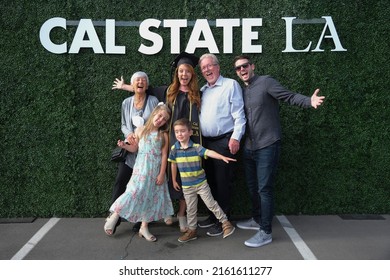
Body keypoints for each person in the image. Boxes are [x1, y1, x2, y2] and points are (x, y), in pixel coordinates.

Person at [233, 55, 325, 248]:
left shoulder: (266, 82)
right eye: (238, 68)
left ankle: (265, 232)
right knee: (252, 187)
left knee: (264, 189)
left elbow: (289, 96)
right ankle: (257, 219)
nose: (242, 70)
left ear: (252, 66)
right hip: (249, 148)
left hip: (268, 144)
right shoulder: (241, 91)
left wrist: (309, 101)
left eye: (245, 66)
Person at [112, 52, 202, 233]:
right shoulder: (168, 91)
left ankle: (182, 215)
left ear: (192, 74)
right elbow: (144, 89)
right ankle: (165, 211)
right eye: (180, 71)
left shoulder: (198, 94)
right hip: (169, 141)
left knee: (187, 176)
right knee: (166, 176)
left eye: (187, 71)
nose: (183, 75)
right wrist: (125, 87)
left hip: (190, 141)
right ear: (177, 73)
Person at [104, 103, 174, 241]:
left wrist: (161, 173)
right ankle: (115, 214)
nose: (160, 120)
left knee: (150, 198)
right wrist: (125, 146)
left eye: (164, 119)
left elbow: (165, 155)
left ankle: (144, 227)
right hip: (141, 169)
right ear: (154, 113)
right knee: (133, 192)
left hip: (155, 171)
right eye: (160, 115)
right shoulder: (140, 130)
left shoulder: (163, 135)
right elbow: (135, 149)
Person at [197, 53, 246, 237]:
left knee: (223, 183)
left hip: (224, 142)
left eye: (210, 66)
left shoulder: (230, 85)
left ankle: (224, 220)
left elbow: (239, 115)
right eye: (204, 68)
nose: (207, 70)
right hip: (206, 143)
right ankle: (213, 216)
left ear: (217, 67)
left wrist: (235, 138)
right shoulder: (203, 90)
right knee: (209, 183)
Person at [168, 118, 236, 242]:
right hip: (187, 186)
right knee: (191, 209)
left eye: (182, 131)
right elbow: (173, 164)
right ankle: (192, 231)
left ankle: (226, 223)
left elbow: (209, 152)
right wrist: (173, 180)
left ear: (190, 132)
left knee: (211, 204)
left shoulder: (196, 147)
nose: (179, 134)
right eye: (177, 131)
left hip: (201, 184)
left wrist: (221, 157)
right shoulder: (174, 149)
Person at [109, 71, 159, 232]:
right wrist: (129, 134)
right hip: (131, 150)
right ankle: (114, 216)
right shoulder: (126, 103)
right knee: (121, 181)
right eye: (137, 80)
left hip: (147, 152)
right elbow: (123, 124)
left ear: (147, 85)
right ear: (133, 84)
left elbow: (157, 122)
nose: (140, 82)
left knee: (144, 187)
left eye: (144, 80)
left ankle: (140, 220)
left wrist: (143, 134)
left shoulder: (153, 101)